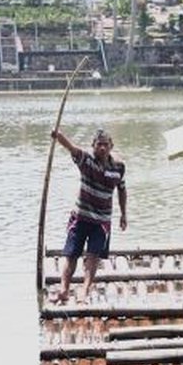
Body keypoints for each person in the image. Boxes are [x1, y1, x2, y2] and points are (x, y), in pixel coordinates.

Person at [51, 128, 127, 303]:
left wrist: (123, 214)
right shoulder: (86, 161)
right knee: (71, 255)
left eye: (105, 145)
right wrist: (59, 136)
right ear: (93, 146)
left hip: (101, 221)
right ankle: (64, 290)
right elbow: (72, 148)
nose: (102, 148)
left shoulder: (118, 167)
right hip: (81, 217)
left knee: (93, 257)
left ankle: (84, 290)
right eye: (98, 144)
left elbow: (122, 190)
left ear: (111, 147)